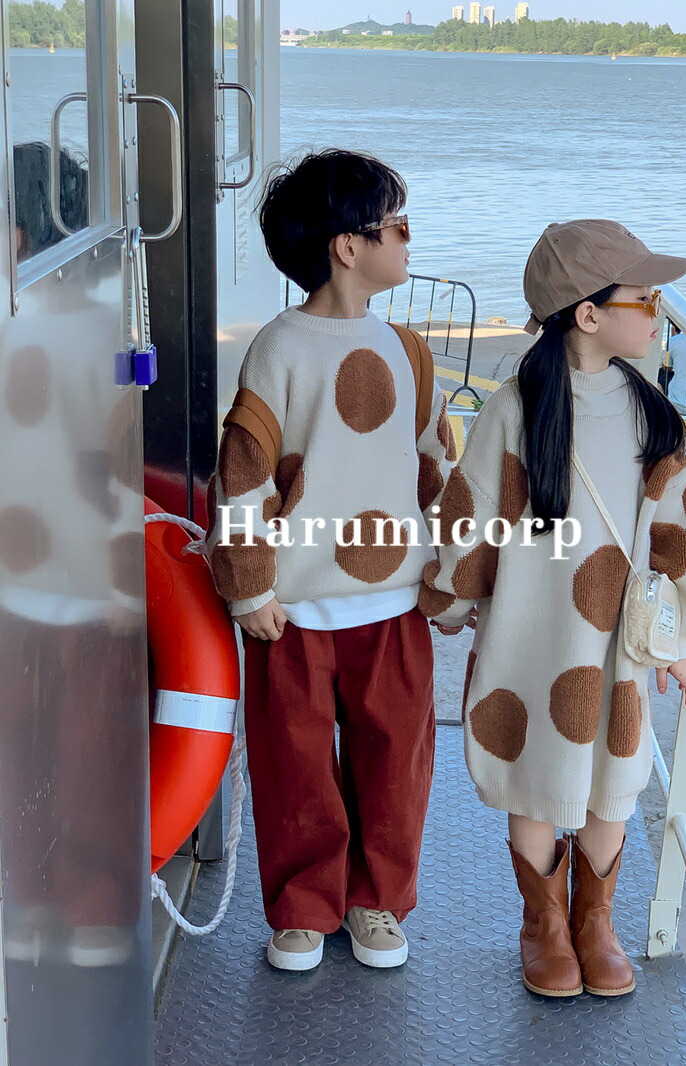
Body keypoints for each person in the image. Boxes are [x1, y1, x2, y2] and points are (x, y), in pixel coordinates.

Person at [418, 219, 686, 998]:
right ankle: (545, 924)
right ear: (588, 314)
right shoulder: (515, 409)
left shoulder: (654, 417)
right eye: (645, 299)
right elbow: (470, 516)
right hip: (530, 633)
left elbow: (679, 536)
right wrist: (452, 599)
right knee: (533, 770)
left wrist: (678, 641)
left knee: (616, 774)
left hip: (617, 645)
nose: (658, 312)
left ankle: (595, 922)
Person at [205, 149, 456, 972]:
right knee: (295, 764)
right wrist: (249, 590)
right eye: (397, 226)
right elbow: (244, 473)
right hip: (295, 608)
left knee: (397, 765)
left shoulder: (410, 353)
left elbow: (436, 471)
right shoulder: (279, 349)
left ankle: (375, 900)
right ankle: (304, 905)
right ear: (349, 246)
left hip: (394, 603)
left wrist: (449, 576)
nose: (409, 240)